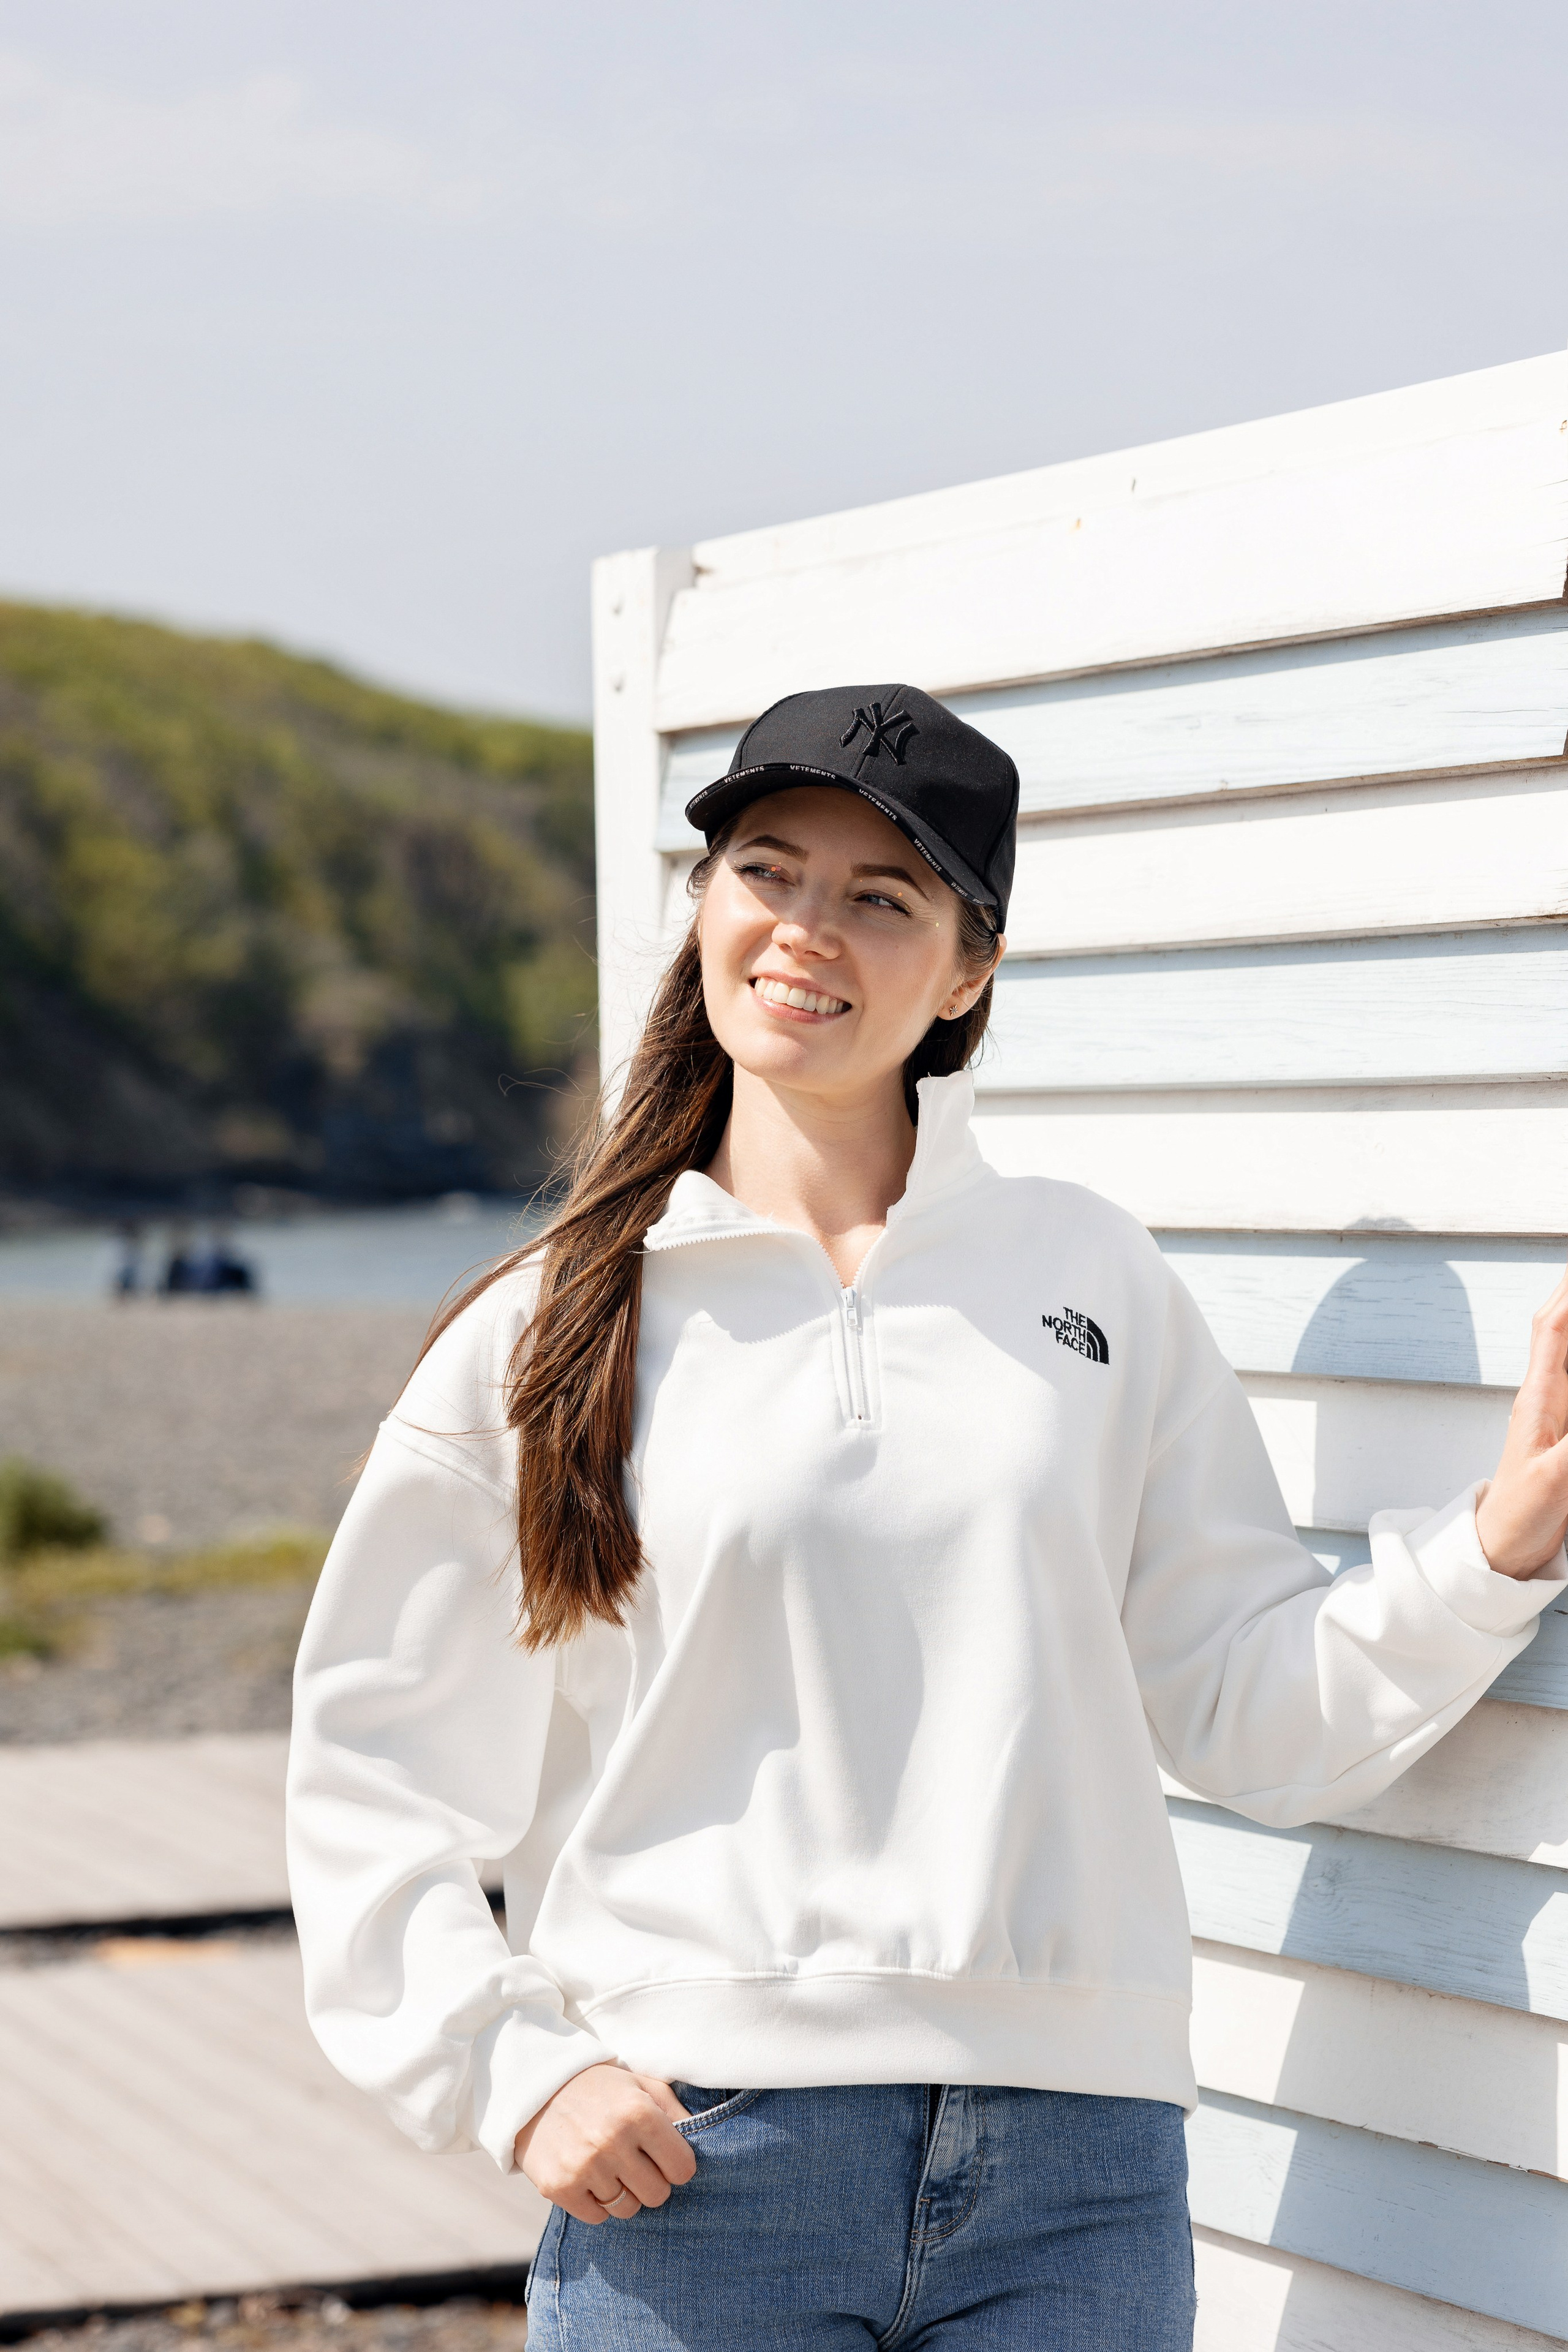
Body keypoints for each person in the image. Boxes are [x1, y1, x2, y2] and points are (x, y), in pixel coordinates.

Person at [286, 685, 1568, 2351]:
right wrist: (513, 2072)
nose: (807, 928)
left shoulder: (1091, 1279)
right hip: (697, 2166)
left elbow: (1254, 1715)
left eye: (881, 896)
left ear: (972, 970)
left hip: (1080, 2169)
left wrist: (1498, 1547)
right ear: (706, 906)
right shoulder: (553, 1327)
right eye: (767, 869)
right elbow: (373, 1775)